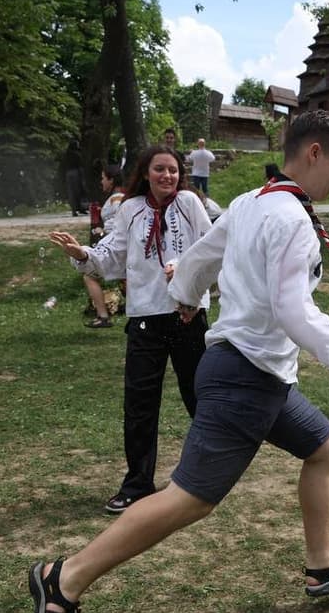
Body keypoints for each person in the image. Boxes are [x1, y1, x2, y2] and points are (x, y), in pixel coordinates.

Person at [29, 110, 329, 613]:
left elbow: (200, 257)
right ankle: (64, 577)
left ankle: (322, 564)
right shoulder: (288, 217)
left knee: (324, 447)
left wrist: (185, 295)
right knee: (190, 499)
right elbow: (292, 309)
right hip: (245, 379)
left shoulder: (252, 201)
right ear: (313, 153)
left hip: (255, 373)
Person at [49, 146, 213, 514]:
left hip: (186, 314)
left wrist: (185, 272)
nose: (167, 176)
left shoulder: (189, 203)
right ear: (145, 173)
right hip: (145, 318)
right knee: (140, 404)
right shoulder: (130, 209)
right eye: (159, 169)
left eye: (173, 170)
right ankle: (138, 483)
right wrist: (82, 254)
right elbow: (111, 255)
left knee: (200, 396)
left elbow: (211, 249)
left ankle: (210, 472)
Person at [83, 163, 128, 329]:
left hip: (117, 246)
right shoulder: (119, 197)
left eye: (103, 178)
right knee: (126, 278)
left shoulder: (117, 199)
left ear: (111, 180)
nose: (101, 181)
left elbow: (120, 222)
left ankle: (103, 316)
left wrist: (103, 231)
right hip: (118, 246)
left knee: (89, 274)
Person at [62, 139, 86, 216]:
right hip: (75, 173)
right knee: (78, 191)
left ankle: (74, 210)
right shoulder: (77, 154)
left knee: (71, 192)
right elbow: (80, 165)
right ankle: (81, 207)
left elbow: (63, 165)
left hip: (68, 173)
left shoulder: (66, 155)